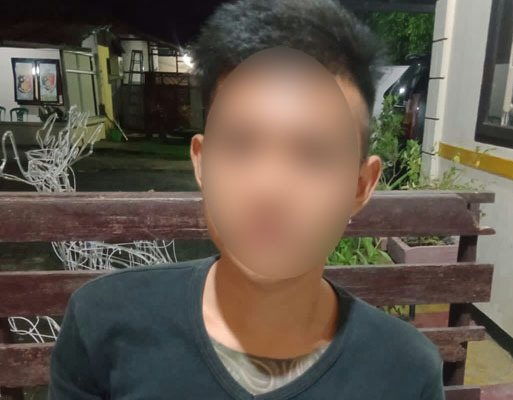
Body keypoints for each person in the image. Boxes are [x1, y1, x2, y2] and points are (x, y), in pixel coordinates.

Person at [48, 1, 445, 399]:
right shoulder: (103, 324)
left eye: (314, 154)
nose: (268, 189)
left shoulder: (404, 371)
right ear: (202, 163)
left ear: (360, 186)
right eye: (240, 145)